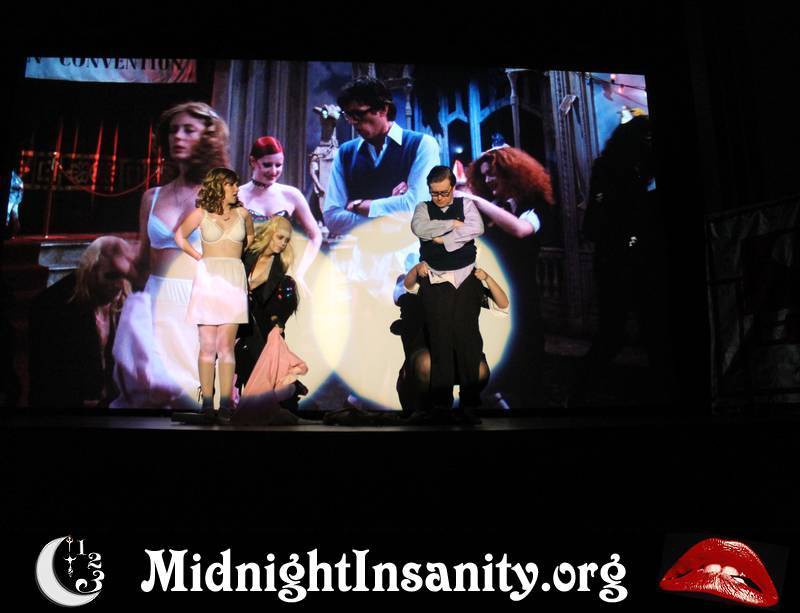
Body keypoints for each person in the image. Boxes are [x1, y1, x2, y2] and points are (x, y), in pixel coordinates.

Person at [111, 101, 231, 410]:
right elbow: (141, 266)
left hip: (198, 308)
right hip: (155, 304)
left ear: (209, 138)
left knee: (195, 403)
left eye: (189, 130)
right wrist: (117, 262)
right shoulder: (151, 197)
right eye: (173, 130)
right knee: (148, 401)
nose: (177, 136)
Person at [576, 114, 667, 404]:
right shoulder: (614, 171)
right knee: (619, 332)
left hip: (627, 259)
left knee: (641, 329)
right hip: (619, 260)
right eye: (646, 140)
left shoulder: (627, 170)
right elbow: (600, 222)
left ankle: (582, 390)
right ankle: (580, 392)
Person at [465, 145, 555, 407]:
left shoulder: (535, 205)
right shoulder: (490, 208)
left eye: (493, 173)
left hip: (522, 293)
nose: (488, 180)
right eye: (484, 175)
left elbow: (520, 229)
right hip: (489, 294)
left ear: (513, 174)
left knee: (525, 350)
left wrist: (478, 202)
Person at [174, 167, 254, 424]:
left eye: (236, 184)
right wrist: (199, 256)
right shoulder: (201, 214)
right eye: (231, 184)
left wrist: (236, 261)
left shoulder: (243, 214)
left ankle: (226, 404)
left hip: (233, 282)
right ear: (218, 187)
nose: (236, 189)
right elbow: (179, 236)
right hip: (208, 281)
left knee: (226, 346)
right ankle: (207, 404)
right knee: (207, 346)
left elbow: (250, 239)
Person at [408, 165, 485, 421]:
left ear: (453, 187)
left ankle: (469, 404)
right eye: (434, 193)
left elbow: (477, 228)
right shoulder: (422, 208)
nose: (439, 198)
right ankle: (441, 404)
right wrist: (452, 224)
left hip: (465, 277)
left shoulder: (467, 205)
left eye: (444, 192)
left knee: (467, 338)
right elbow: (420, 229)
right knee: (439, 338)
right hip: (435, 278)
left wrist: (443, 240)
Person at [322, 76, 441, 237]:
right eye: (348, 116)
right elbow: (332, 218)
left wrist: (358, 206)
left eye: (358, 114)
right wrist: (390, 217)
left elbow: (415, 208)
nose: (353, 123)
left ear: (383, 109)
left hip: (410, 251)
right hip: (362, 251)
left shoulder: (422, 144)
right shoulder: (345, 153)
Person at [396, 262, 508, 424]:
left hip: (462, 348)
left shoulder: (470, 284)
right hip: (430, 347)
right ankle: (426, 409)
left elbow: (502, 304)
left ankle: (466, 408)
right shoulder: (428, 279)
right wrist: (416, 270)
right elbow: (406, 288)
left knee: (480, 370)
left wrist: (487, 278)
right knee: (425, 364)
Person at [29, 236, 134, 408]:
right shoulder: (53, 308)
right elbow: (45, 379)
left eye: (124, 275)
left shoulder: (126, 305)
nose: (119, 285)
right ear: (89, 271)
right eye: (111, 276)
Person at [237, 135, 322, 296]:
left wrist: (300, 272)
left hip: (281, 281)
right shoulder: (237, 196)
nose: (274, 171)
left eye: (278, 165)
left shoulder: (291, 195)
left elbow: (315, 236)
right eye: (267, 165)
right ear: (253, 161)